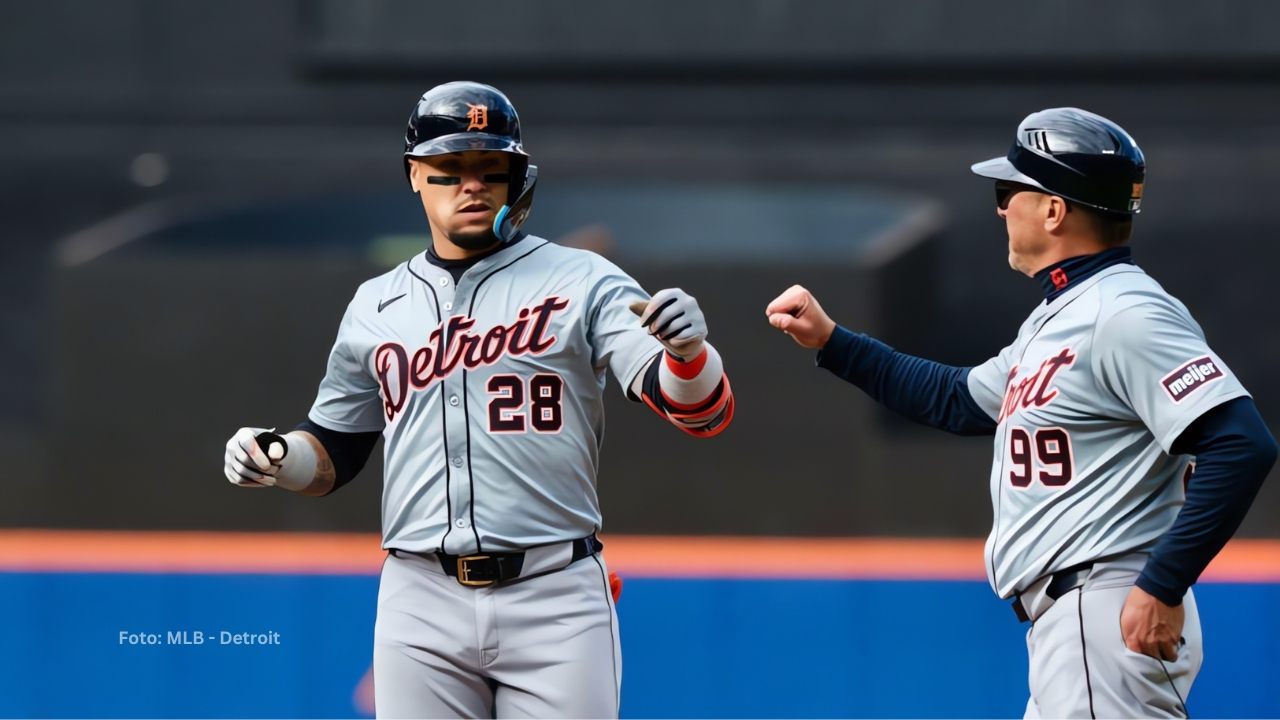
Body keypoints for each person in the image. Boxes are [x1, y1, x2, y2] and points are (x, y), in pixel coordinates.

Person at [222, 81, 734, 719]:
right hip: (421, 595)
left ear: (517, 178)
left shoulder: (582, 279)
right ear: (415, 176)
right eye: (450, 169)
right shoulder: (376, 304)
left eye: (491, 168)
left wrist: (690, 356)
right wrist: (277, 457)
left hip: (555, 590)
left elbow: (696, 409)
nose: (472, 184)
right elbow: (336, 449)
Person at [765, 107, 1275, 718]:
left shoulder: (1126, 312)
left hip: (1103, 604)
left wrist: (1162, 582)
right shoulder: (1063, 316)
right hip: (1075, 623)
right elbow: (955, 398)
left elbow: (1242, 442)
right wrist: (833, 341)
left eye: (1011, 191)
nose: (1002, 207)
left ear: (1055, 210)